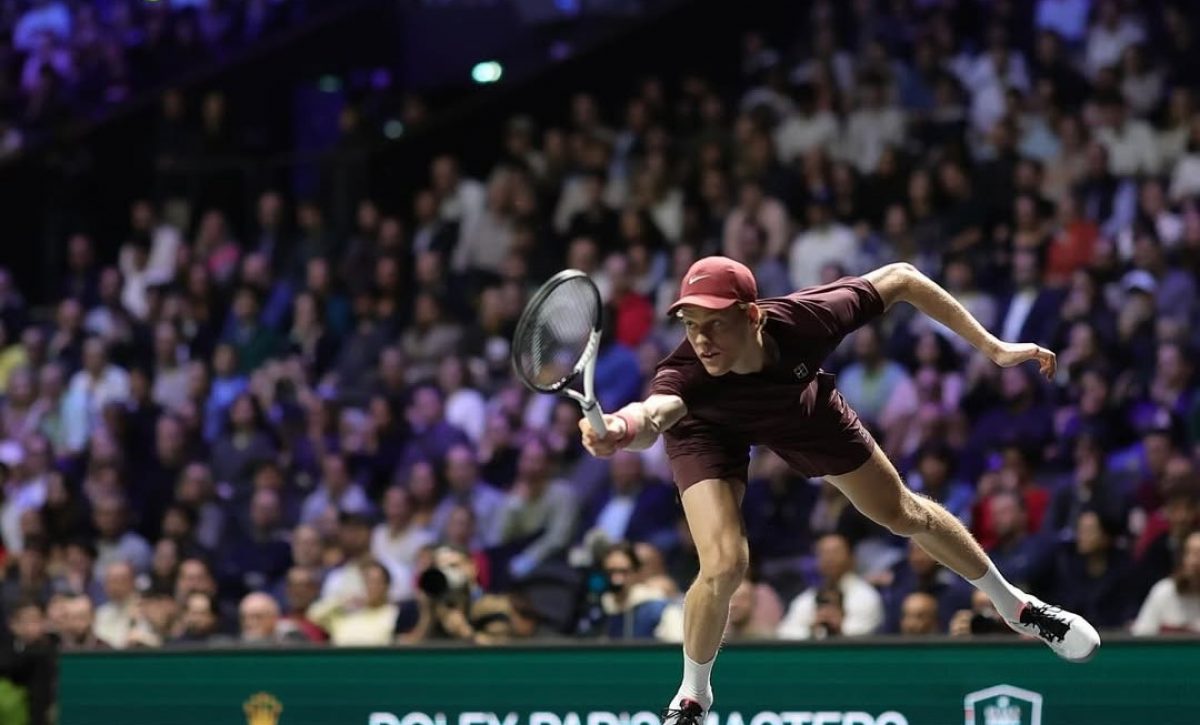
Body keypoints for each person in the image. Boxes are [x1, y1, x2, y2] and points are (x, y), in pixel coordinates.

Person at [578, 256, 1101, 724]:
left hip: (798, 409)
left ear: (753, 315)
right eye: (691, 326)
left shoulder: (807, 319)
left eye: (715, 323)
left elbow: (902, 278)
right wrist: (620, 431)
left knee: (903, 513)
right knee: (724, 563)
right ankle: (692, 698)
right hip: (706, 429)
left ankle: (1017, 608)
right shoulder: (687, 374)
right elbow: (655, 414)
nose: (702, 339)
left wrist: (995, 347)